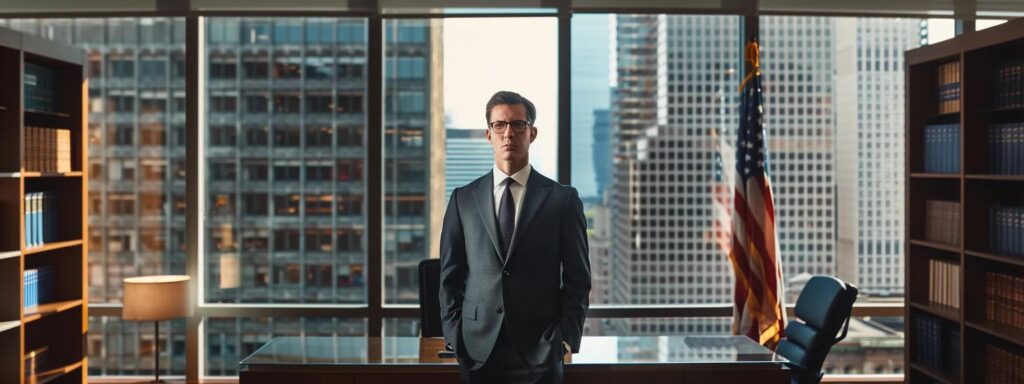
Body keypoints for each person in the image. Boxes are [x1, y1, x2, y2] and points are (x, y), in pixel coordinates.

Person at [439, 91, 591, 384]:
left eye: (518, 125)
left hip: (541, 351)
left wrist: (564, 340)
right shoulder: (463, 199)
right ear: (488, 134)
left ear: (532, 133)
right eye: (500, 125)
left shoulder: (563, 200)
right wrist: (455, 337)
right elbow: (449, 278)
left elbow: (578, 278)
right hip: (476, 350)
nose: (508, 133)